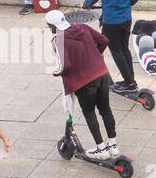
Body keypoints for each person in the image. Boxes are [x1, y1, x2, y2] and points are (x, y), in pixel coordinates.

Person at [47, 10, 119, 158]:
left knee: (89, 113)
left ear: (52, 25)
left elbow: (63, 65)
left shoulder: (58, 40)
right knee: (105, 109)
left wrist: (55, 73)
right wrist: (95, 56)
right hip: (102, 73)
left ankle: (101, 148)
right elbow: (104, 40)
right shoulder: (82, 27)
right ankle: (113, 144)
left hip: (84, 82)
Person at [82, 0, 140, 91]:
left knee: (116, 51)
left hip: (111, 21)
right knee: (124, 49)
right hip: (126, 18)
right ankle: (130, 80)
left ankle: (130, 84)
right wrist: (125, 4)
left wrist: (86, 5)